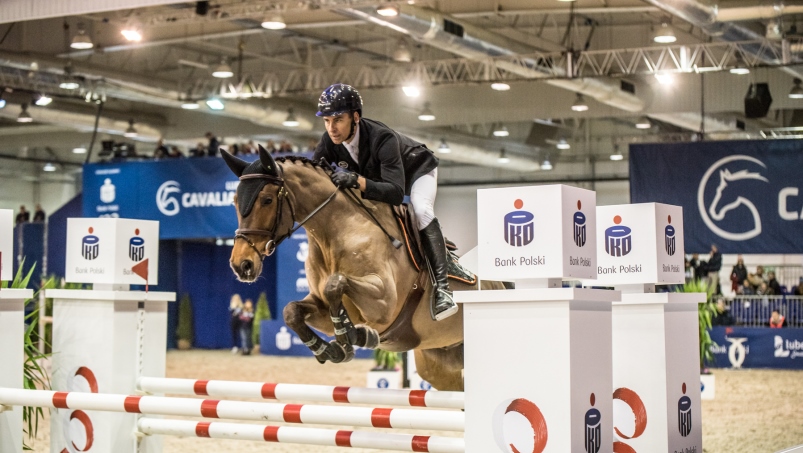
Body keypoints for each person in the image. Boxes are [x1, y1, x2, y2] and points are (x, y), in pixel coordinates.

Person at [312, 83, 457, 321]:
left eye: (338, 120)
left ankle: (442, 289)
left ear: (355, 116)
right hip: (383, 180)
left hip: (416, 172)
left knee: (421, 211)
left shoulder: (382, 138)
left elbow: (396, 194)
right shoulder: (329, 142)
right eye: (326, 121)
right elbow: (315, 174)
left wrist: (358, 181)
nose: (331, 128)